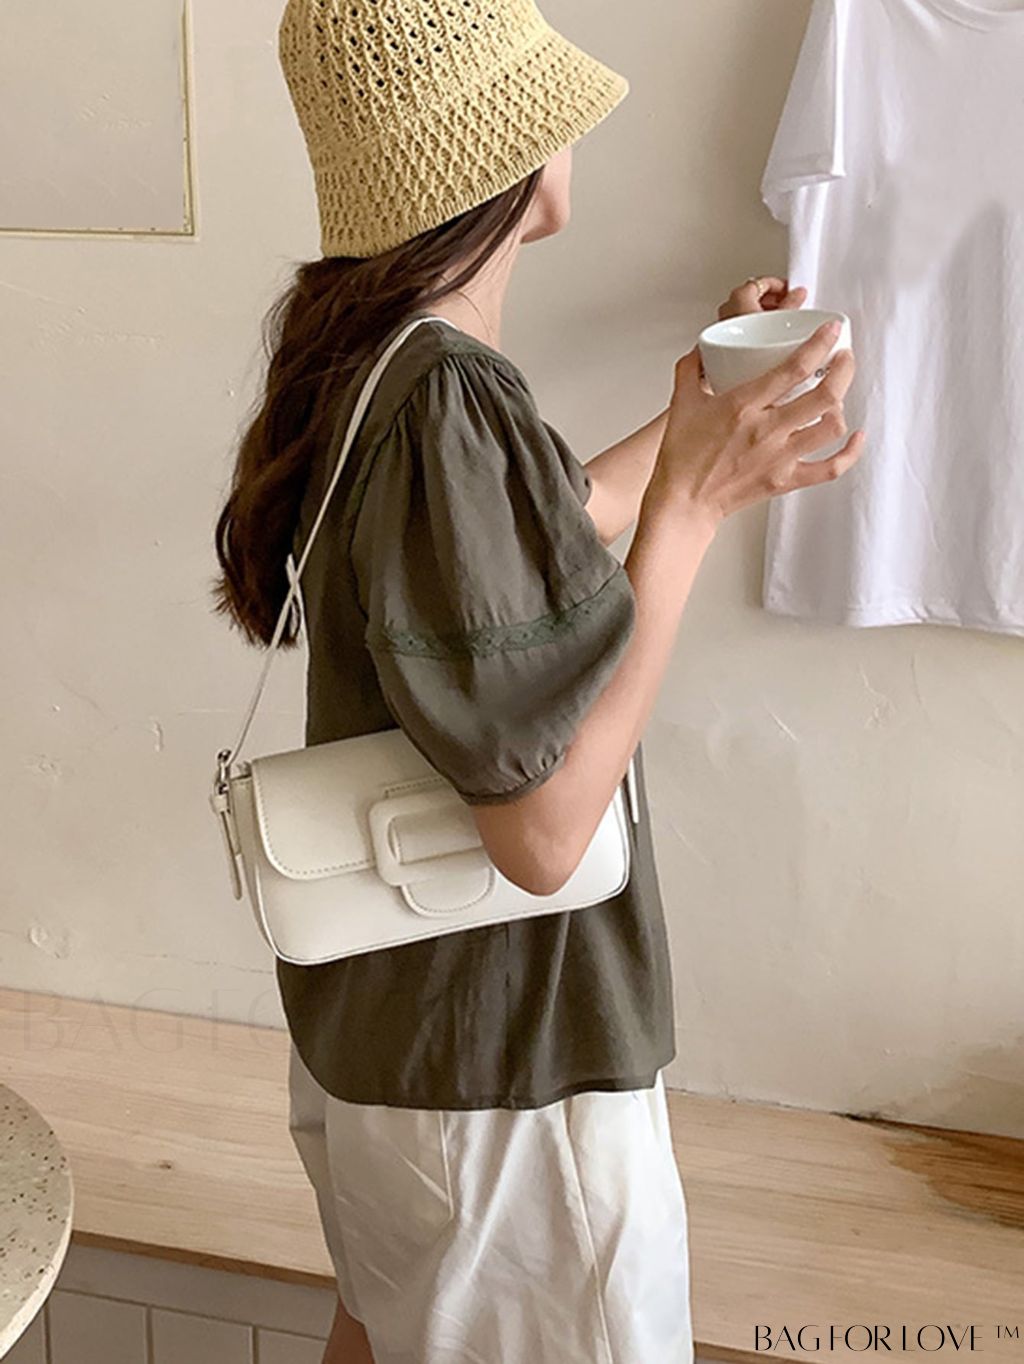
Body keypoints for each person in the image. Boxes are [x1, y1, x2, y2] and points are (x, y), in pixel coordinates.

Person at [211, 1, 864, 1360]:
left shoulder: (375, 363)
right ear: (504, 152)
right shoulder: (451, 400)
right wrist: (690, 510)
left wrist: (697, 426)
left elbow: (527, 539)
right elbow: (546, 832)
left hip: (389, 1046)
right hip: (506, 1079)